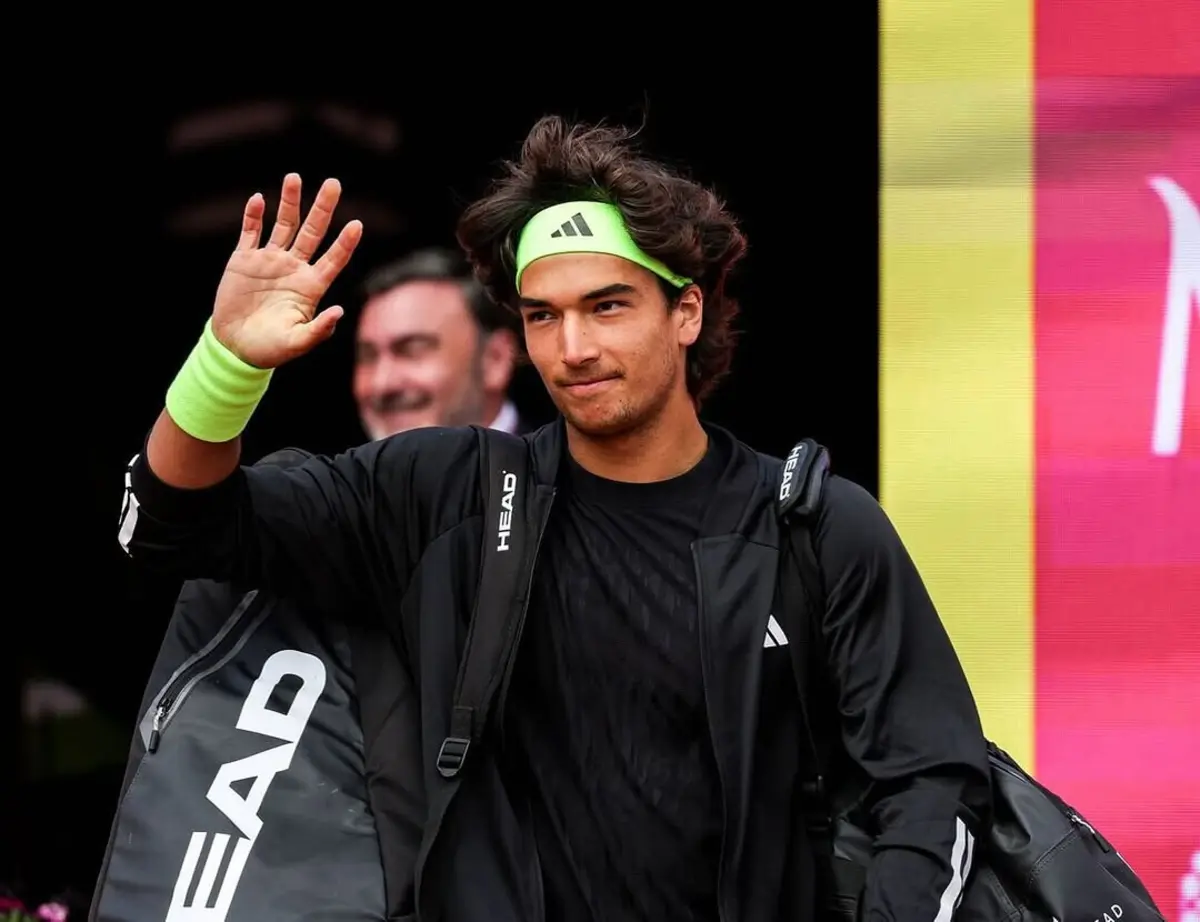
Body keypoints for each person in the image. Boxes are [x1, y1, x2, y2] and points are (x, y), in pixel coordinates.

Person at [118, 117, 991, 921]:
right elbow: (172, 525)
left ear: (685, 311)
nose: (572, 349)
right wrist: (227, 364)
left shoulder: (817, 527)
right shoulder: (445, 492)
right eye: (543, 316)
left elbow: (932, 784)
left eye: (607, 306)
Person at [353, 247, 527, 438]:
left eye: (412, 350)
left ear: (495, 359)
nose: (382, 384)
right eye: (368, 356)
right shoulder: (343, 457)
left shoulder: (549, 456)